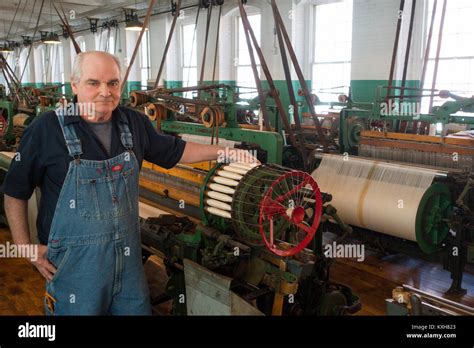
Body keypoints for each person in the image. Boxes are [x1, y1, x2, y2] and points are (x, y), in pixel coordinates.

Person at [3, 51, 258, 315]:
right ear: (75, 85)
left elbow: (175, 150)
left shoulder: (133, 122)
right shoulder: (46, 129)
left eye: (113, 83)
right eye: (94, 83)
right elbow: (14, 192)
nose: (105, 92)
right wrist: (25, 247)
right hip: (75, 266)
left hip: (128, 265)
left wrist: (224, 152)